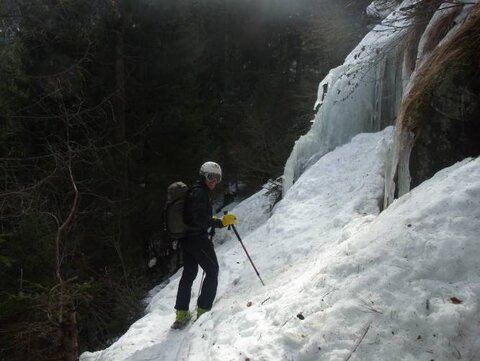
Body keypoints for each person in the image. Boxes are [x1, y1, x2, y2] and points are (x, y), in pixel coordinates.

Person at [172, 161, 237, 329]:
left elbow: (195, 216)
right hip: (196, 238)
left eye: (217, 178)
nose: (214, 181)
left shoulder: (195, 191)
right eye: (210, 177)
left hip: (187, 239)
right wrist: (221, 222)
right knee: (212, 271)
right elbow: (199, 219)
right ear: (203, 175)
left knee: (189, 273)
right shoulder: (200, 193)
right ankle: (203, 311)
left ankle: (181, 313)